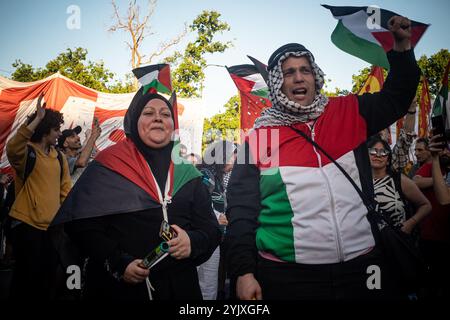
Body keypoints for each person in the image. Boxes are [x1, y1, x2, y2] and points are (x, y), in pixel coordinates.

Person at [226, 16, 420, 300]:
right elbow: (241, 212)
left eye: (305, 69)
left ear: (315, 76)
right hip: (288, 275)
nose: (298, 77)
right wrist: (243, 271)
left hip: (365, 266)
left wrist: (401, 49)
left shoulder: (349, 110)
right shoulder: (258, 138)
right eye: (288, 72)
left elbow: (398, 96)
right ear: (278, 84)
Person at [52, 90, 221, 300]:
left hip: (179, 287)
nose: (158, 117)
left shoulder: (189, 173)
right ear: (134, 121)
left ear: (172, 126)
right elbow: (81, 226)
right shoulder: (109, 164)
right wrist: (118, 261)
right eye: (149, 113)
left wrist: (193, 242)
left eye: (166, 114)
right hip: (120, 290)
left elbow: (211, 229)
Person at [6, 95, 72, 299]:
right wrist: (36, 119)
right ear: (45, 131)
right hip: (27, 226)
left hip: (52, 229)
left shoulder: (59, 157)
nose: (59, 134)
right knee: (26, 281)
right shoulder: (28, 152)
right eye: (56, 130)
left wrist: (65, 219)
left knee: (48, 279)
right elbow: (12, 148)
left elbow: (65, 190)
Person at [196, 140, 236, 300]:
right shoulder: (205, 174)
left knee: (210, 287)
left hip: (215, 239)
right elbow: (198, 203)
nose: (234, 161)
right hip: (201, 239)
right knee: (201, 284)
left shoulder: (219, 178)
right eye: (233, 157)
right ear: (222, 156)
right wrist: (217, 216)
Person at [58, 119, 101, 185]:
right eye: (73, 136)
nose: (78, 137)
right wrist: (93, 137)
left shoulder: (80, 154)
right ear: (65, 144)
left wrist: (90, 135)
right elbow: (81, 162)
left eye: (77, 135)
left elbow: (85, 147)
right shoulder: (63, 160)